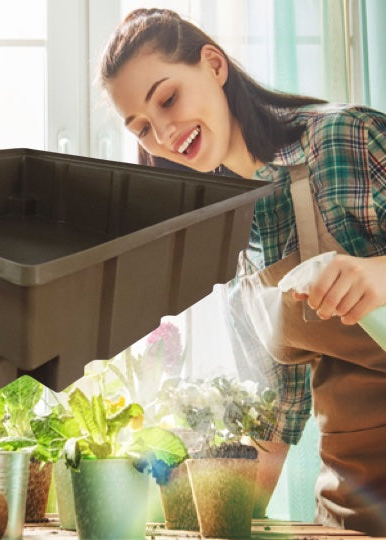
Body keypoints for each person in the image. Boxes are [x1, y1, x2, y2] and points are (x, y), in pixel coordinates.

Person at [99, 8, 386, 535]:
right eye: (141, 127)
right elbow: (275, 418)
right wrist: (212, 521)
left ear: (213, 65)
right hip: (354, 503)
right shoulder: (229, 232)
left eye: (167, 98)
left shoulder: (344, 140)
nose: (161, 132)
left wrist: (380, 274)